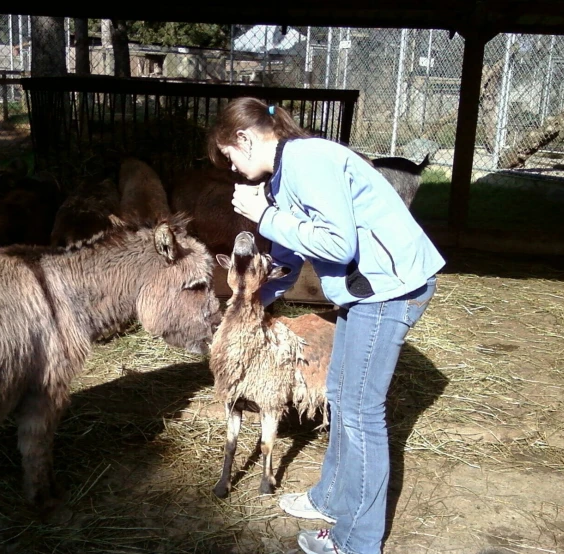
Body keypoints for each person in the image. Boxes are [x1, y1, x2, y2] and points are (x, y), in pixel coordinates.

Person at [206, 97, 445, 554]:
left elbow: (337, 244)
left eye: (230, 157)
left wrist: (264, 216)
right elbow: (291, 259)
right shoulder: (283, 174)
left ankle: (356, 540)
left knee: (360, 412)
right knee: (340, 394)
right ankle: (330, 496)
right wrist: (249, 302)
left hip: (389, 290)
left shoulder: (307, 159)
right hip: (364, 290)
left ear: (244, 138)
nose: (233, 169)